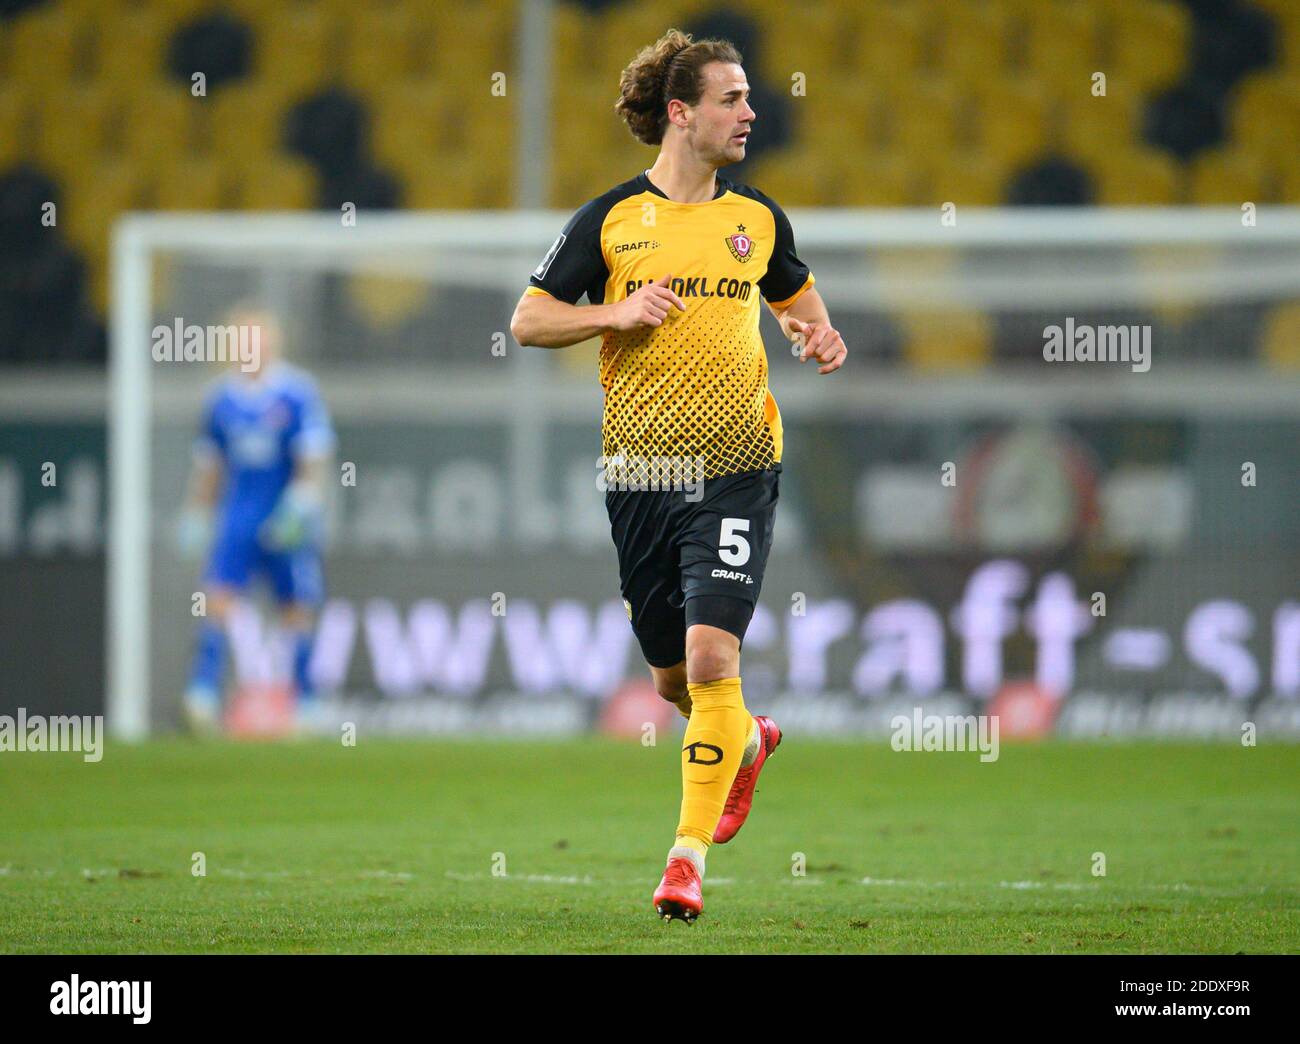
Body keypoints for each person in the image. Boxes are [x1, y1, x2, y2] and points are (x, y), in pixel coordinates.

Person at [509, 29, 847, 922]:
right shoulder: (612, 221)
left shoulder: (758, 219)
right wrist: (615, 310)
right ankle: (745, 741)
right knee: (673, 682)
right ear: (680, 112)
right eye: (731, 98)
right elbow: (530, 320)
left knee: (709, 658)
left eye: (748, 97)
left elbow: (797, 299)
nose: (749, 111)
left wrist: (817, 332)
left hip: (737, 466)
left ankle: (685, 861)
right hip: (640, 477)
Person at [178, 305, 335, 734]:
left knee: (296, 608)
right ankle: (203, 695)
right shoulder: (220, 401)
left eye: (258, 341)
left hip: (285, 517)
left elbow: (314, 459)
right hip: (239, 519)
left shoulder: (297, 394)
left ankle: (305, 702)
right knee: (218, 602)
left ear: (272, 345)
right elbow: (210, 467)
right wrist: (197, 512)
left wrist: (302, 504)